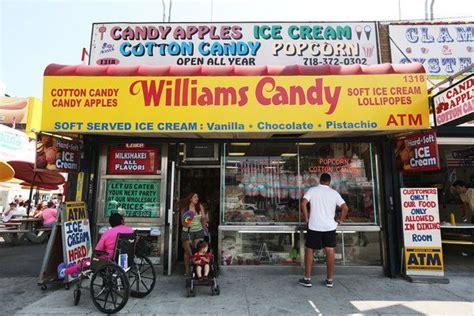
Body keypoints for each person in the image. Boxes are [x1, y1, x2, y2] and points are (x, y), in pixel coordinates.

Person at [298, 173, 349, 288]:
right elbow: (345, 208)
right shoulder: (334, 193)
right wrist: (340, 220)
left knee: (310, 250)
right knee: (330, 250)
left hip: (314, 225)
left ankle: (307, 279)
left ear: (319, 180)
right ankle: (329, 280)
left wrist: (307, 218)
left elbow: (303, 203)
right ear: (329, 182)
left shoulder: (312, 190)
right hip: (329, 226)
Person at [58, 213, 134, 279]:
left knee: (87, 262)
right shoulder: (130, 230)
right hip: (127, 258)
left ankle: (65, 272)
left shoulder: (108, 233)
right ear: (121, 221)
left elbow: (98, 250)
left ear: (111, 223)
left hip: (110, 260)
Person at [181, 193, 208, 275]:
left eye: (197, 197)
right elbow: (183, 221)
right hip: (187, 232)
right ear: (190, 199)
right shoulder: (185, 208)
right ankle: (187, 270)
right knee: (187, 252)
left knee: (198, 250)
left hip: (198, 231)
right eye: (195, 197)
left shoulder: (199, 206)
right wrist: (186, 224)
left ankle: (197, 268)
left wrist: (204, 227)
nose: (197, 198)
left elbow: (203, 218)